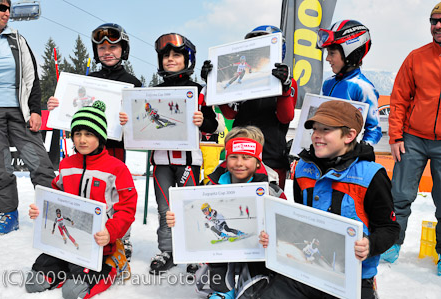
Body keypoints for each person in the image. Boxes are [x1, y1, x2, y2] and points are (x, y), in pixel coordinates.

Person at [259, 100, 400, 299]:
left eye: (326, 130)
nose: (316, 135)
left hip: (353, 276)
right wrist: (276, 234)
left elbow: (390, 228)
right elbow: (301, 220)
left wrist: (370, 244)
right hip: (306, 269)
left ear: (349, 135)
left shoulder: (371, 176)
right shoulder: (302, 170)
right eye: (315, 129)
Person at [47, 23, 141, 260]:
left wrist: (129, 120)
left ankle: (122, 237)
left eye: (113, 46)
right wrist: (58, 106)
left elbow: (140, 124)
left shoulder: (133, 83)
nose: (107, 51)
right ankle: (84, 228)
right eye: (101, 47)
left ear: (124, 49)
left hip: (115, 148)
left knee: (115, 194)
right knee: (84, 188)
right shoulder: (88, 80)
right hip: (87, 149)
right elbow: (74, 110)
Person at [127, 32, 218, 275]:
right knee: (165, 209)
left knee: (189, 207)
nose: (170, 59)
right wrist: (129, 120)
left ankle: (193, 251)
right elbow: (141, 121)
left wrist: (203, 120)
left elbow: (215, 124)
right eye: (165, 55)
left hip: (189, 160)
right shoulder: (153, 91)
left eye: (176, 54)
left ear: (187, 59)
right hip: (160, 161)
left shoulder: (199, 91)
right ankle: (167, 250)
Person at [26, 101, 137, 298]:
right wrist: (41, 211)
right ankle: (68, 269)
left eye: (89, 134)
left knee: (74, 292)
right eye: (77, 134)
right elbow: (55, 198)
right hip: (65, 243)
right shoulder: (67, 164)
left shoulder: (116, 168)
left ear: (100, 137)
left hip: (100, 244)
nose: (82, 140)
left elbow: (127, 209)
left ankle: (115, 264)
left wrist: (110, 232)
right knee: (34, 283)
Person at [166, 126, 286, 299]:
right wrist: (177, 218)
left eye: (246, 158)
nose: (239, 163)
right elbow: (193, 217)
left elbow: (284, 224)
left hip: (256, 253)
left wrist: (272, 235)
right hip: (223, 253)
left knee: (257, 274)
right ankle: (222, 291)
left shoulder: (271, 190)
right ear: (226, 159)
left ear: (258, 162)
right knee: (219, 256)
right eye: (233, 157)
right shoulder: (210, 187)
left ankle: (252, 289)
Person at [380, 2, 441, 276]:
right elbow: (400, 98)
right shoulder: (416, 57)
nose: (437, 26)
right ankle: (392, 245)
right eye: (433, 21)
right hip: (413, 138)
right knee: (400, 197)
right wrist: (395, 136)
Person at [203, 25, 298, 190]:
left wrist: (284, 89)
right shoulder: (243, 78)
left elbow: (286, 117)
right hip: (241, 153)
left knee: (268, 206)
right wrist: (215, 85)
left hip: (271, 156)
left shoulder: (288, 82)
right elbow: (230, 113)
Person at [0, 0, 56, 234]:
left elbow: (32, 78)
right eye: (1, 7)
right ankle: (9, 214)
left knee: (38, 161)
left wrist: (36, 110)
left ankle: (51, 211)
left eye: (9, 8)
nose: (7, 12)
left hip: (20, 110)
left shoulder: (16, 40)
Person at [317, 20, 382, 146]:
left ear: (350, 54)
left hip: (348, 157)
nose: (327, 58)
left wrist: (361, 152)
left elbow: (374, 130)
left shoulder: (363, 88)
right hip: (326, 151)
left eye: (332, 53)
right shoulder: (328, 83)